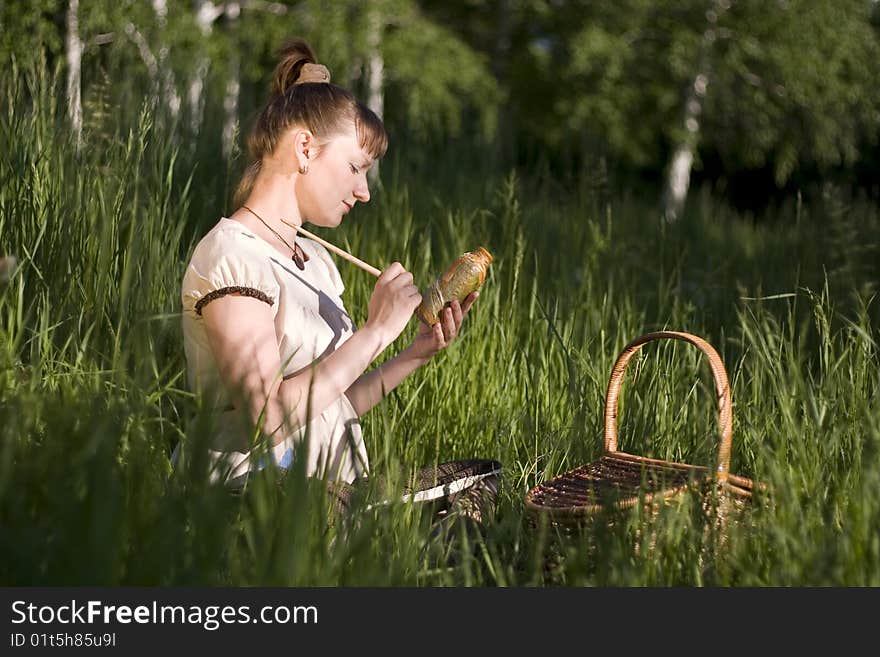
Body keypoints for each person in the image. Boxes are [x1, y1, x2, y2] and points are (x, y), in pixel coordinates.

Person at [178, 39, 499, 525]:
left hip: (337, 488)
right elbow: (267, 418)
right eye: (354, 168)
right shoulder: (232, 256)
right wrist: (374, 332)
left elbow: (333, 406)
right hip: (254, 497)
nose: (364, 191)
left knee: (484, 480)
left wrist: (414, 353)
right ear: (305, 148)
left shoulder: (318, 261)